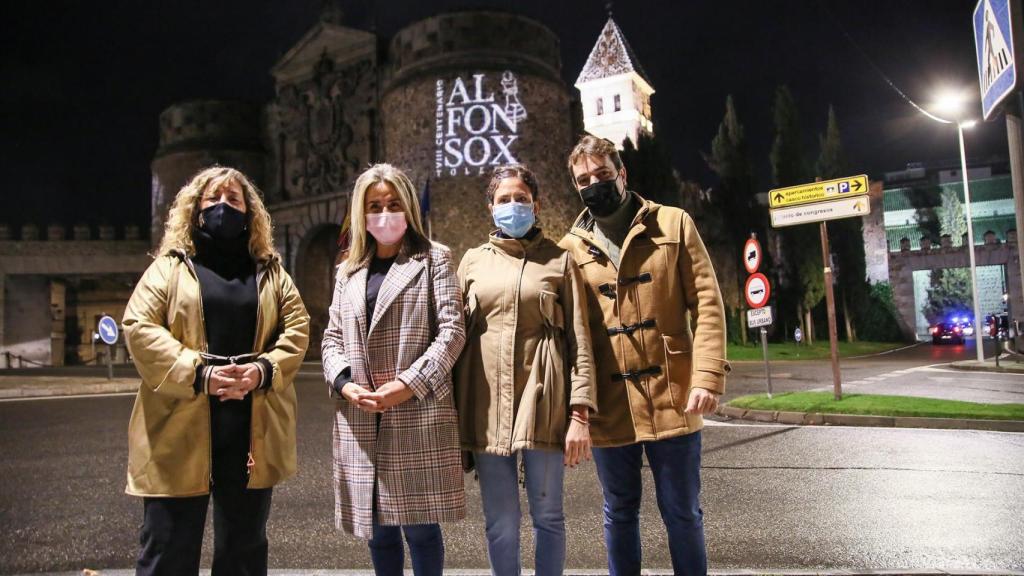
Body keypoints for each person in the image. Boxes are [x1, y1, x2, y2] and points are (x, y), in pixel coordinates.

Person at [122, 166, 310, 575]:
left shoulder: (271, 272)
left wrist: (262, 369)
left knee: (243, 548)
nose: (224, 205)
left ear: (250, 212)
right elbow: (139, 326)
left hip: (250, 430)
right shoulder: (169, 268)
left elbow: (297, 330)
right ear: (195, 208)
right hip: (178, 428)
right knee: (167, 547)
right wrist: (198, 373)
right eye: (213, 198)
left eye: (234, 199)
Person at [558, 135, 730, 576]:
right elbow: (568, 336)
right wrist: (576, 409)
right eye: (584, 180)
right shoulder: (569, 250)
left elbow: (708, 302)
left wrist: (707, 375)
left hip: (673, 393)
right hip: (610, 406)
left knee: (683, 512)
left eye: (602, 174)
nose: (594, 184)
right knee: (618, 512)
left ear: (622, 173)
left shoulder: (672, 223)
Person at [321, 163, 466, 576]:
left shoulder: (433, 258)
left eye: (392, 204)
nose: (384, 214)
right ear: (359, 212)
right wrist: (346, 384)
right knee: (378, 532)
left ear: (408, 208)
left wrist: (406, 385)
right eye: (374, 206)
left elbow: (452, 332)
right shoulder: (347, 271)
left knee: (420, 529)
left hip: (414, 411)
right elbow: (331, 337)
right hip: (362, 413)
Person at [454, 164, 596, 576]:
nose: (513, 206)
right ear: (490, 207)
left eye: (521, 198)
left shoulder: (559, 261)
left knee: (549, 516)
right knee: (501, 522)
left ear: (537, 205)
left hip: (545, 404)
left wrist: (580, 411)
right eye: (504, 199)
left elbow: (580, 341)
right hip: (485, 408)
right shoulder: (473, 262)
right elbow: (452, 337)